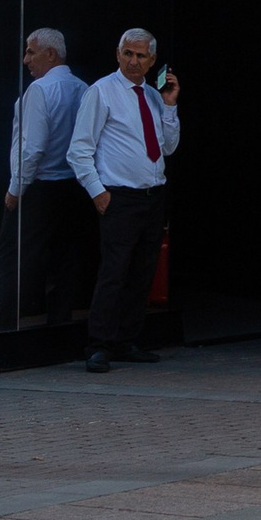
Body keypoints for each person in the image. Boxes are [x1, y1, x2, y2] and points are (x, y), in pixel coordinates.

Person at [68, 28, 180, 372]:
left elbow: (167, 147)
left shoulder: (153, 96)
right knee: (114, 273)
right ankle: (99, 345)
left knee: (142, 273)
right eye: (128, 54)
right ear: (118, 54)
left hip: (152, 195)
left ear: (152, 60)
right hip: (119, 196)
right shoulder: (101, 92)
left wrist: (170, 106)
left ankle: (126, 340)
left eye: (141, 56)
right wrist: (98, 193)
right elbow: (79, 150)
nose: (133, 61)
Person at [0, 28, 91, 331]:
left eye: (31, 52)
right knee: (63, 259)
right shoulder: (83, 88)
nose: (26, 60)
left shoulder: (41, 90)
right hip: (71, 186)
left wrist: (15, 189)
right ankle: (59, 322)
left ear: (51, 54)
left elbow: (32, 148)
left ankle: (0, 325)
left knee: (12, 258)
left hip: (39, 187)